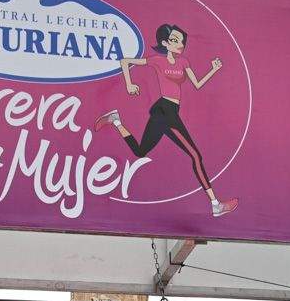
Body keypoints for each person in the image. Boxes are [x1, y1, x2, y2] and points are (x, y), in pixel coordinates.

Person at [95, 23, 238, 219]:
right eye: (174, 40)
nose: (180, 44)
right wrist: (129, 84)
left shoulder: (184, 62)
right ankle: (215, 205)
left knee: (140, 151)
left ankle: (116, 120)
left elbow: (197, 84)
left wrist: (213, 69)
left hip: (169, 112)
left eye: (181, 41)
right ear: (165, 43)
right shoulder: (157, 61)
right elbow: (125, 62)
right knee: (195, 156)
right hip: (165, 110)